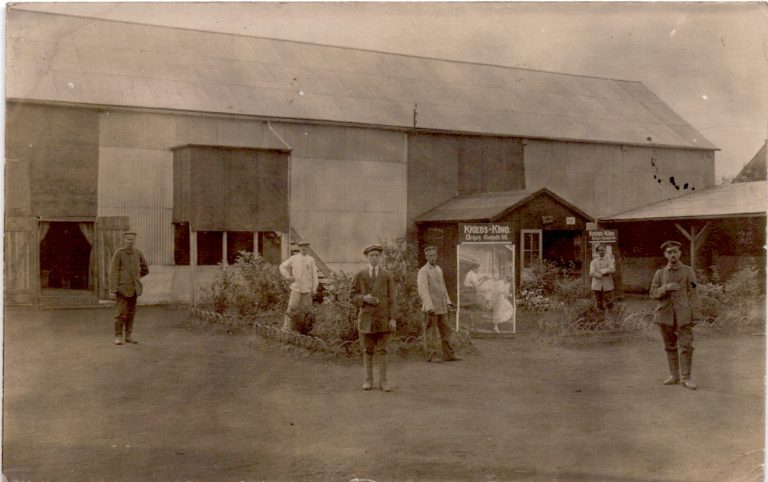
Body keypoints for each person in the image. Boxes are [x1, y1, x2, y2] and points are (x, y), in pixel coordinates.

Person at [649, 240, 700, 390]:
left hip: (684, 314)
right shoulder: (660, 273)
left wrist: (695, 314)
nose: (673, 254)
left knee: (686, 346)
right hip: (665, 315)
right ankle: (674, 375)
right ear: (665, 255)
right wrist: (665, 288)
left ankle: (686, 378)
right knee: (669, 346)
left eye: (675, 251)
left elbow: (694, 293)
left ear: (680, 253)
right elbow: (652, 293)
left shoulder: (688, 271)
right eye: (669, 252)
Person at [351, 244, 396, 392]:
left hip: (383, 319)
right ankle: (368, 380)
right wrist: (364, 298)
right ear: (367, 257)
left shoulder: (387, 275)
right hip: (366, 319)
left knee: (382, 351)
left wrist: (392, 318)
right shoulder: (360, 275)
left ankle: (383, 381)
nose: (374, 258)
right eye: (371, 256)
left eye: (377, 255)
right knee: (367, 350)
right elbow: (352, 296)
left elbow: (392, 299)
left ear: (380, 257)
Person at [417, 246, 461, 363]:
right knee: (430, 331)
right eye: (430, 255)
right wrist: (429, 306)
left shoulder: (439, 269)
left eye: (434, 255)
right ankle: (431, 355)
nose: (433, 257)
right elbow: (423, 290)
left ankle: (449, 354)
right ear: (426, 257)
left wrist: (448, 302)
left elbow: (443, 288)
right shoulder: (423, 271)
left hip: (442, 306)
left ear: (437, 256)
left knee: (447, 329)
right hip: (431, 308)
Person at [109, 231, 149, 345]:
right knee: (120, 313)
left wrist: (136, 278)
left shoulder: (138, 253)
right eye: (128, 239)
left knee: (131, 313)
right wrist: (114, 289)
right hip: (122, 289)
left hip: (134, 289)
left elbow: (146, 269)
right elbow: (113, 272)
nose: (130, 241)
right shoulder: (119, 253)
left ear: (135, 240)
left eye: (132, 239)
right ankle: (118, 336)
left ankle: (128, 335)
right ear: (124, 240)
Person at [279, 241, 319, 331]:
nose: (303, 248)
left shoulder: (311, 260)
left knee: (307, 310)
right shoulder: (294, 258)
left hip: (307, 289)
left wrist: (314, 288)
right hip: (296, 288)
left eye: (305, 246)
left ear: (307, 248)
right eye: (301, 246)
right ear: (299, 247)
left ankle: (304, 329)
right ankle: (286, 327)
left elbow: (315, 275)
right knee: (291, 308)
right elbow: (282, 266)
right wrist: (288, 276)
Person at [463, 261, 489, 331]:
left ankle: (472, 325)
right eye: (478, 269)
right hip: (469, 292)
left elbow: (477, 278)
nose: (479, 270)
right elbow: (476, 285)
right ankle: (472, 326)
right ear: (474, 268)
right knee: (473, 308)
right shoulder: (471, 274)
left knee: (474, 308)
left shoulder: (471, 273)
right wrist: (484, 280)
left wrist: (483, 276)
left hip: (470, 291)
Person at [589, 244, 615, 311]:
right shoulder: (593, 262)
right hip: (597, 284)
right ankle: (600, 315)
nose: (601, 252)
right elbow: (591, 272)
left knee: (609, 302)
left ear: (605, 251)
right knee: (598, 302)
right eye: (599, 250)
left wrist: (601, 271)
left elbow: (612, 269)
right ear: (597, 252)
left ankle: (611, 315)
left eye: (602, 250)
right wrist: (600, 275)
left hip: (607, 284)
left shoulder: (610, 260)